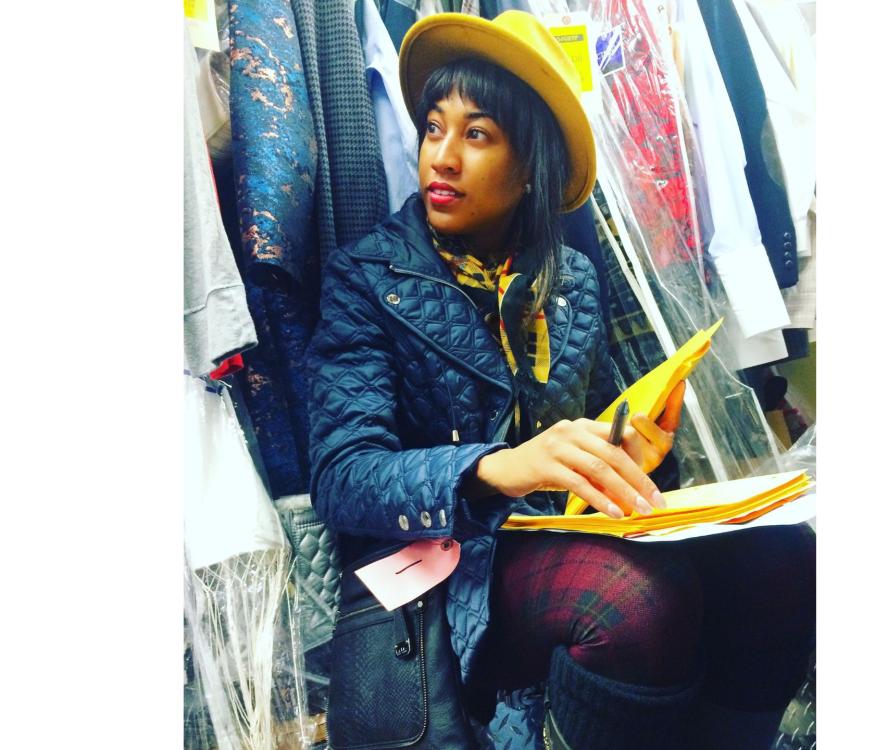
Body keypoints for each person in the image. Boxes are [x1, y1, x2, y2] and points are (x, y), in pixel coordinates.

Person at [307, 11, 815, 750]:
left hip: (561, 536)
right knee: (636, 601)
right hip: (440, 571)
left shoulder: (572, 277)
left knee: (785, 562)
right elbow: (343, 475)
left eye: (477, 134)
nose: (441, 157)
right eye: (433, 129)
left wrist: (637, 446)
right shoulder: (368, 277)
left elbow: (602, 420)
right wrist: (495, 468)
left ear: (530, 167)